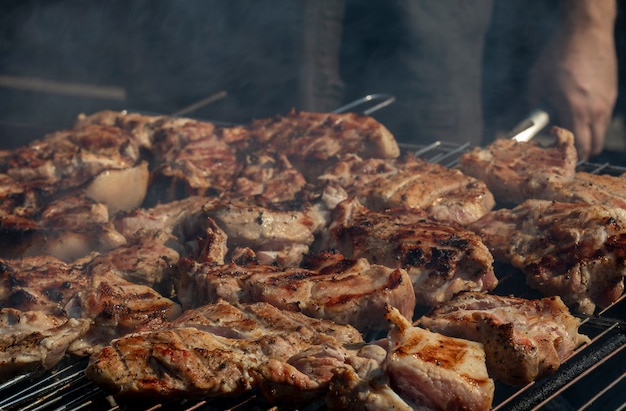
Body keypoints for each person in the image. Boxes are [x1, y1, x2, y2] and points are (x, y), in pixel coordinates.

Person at [298, 0, 618, 160]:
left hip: (421, 23)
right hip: (289, 29)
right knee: (278, 156)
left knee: (441, 162)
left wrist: (589, 26)